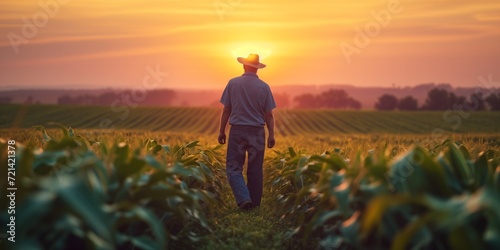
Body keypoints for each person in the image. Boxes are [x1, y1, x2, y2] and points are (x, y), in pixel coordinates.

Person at [218, 53, 277, 210]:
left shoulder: (233, 83)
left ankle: (244, 199)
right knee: (255, 169)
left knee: (233, 167)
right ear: (257, 69)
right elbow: (269, 114)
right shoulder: (264, 87)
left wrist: (222, 131)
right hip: (257, 132)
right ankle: (254, 203)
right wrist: (271, 134)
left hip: (237, 131)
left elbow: (226, 109)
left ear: (244, 66)